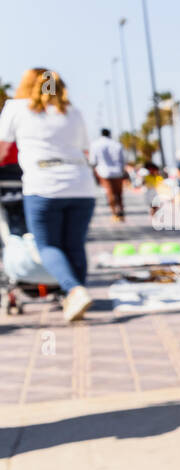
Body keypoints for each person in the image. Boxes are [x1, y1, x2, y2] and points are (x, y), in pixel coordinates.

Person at [0, 68, 96, 321]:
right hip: (81, 184)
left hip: (44, 184)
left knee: (48, 245)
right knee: (74, 245)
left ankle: (75, 290)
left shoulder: (16, 108)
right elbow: (85, 152)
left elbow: (1, 148)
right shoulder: (73, 112)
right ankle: (73, 297)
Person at [88, 128, 127, 221]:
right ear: (110, 134)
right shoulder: (117, 144)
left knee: (110, 193)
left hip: (104, 172)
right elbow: (123, 160)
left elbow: (93, 160)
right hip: (118, 172)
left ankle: (114, 213)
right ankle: (121, 211)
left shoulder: (95, 144)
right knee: (119, 193)